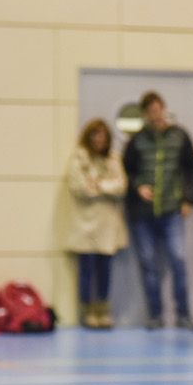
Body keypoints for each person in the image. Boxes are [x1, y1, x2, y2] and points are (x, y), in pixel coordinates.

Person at [122, 91, 193, 330]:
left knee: (178, 260)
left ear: (163, 109)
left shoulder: (180, 135)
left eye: (158, 109)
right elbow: (128, 171)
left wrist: (189, 199)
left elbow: (190, 169)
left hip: (172, 210)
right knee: (148, 264)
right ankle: (155, 314)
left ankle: (183, 314)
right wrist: (138, 187)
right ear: (145, 114)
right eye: (150, 111)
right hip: (142, 214)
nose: (155, 115)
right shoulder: (136, 141)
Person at [63, 118, 127, 329]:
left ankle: (102, 310)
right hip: (85, 225)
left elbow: (120, 186)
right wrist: (102, 187)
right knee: (87, 270)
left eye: (103, 136)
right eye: (95, 135)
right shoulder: (78, 159)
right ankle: (87, 311)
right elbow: (80, 188)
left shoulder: (113, 158)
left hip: (107, 226)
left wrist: (99, 184)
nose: (99, 140)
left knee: (105, 271)